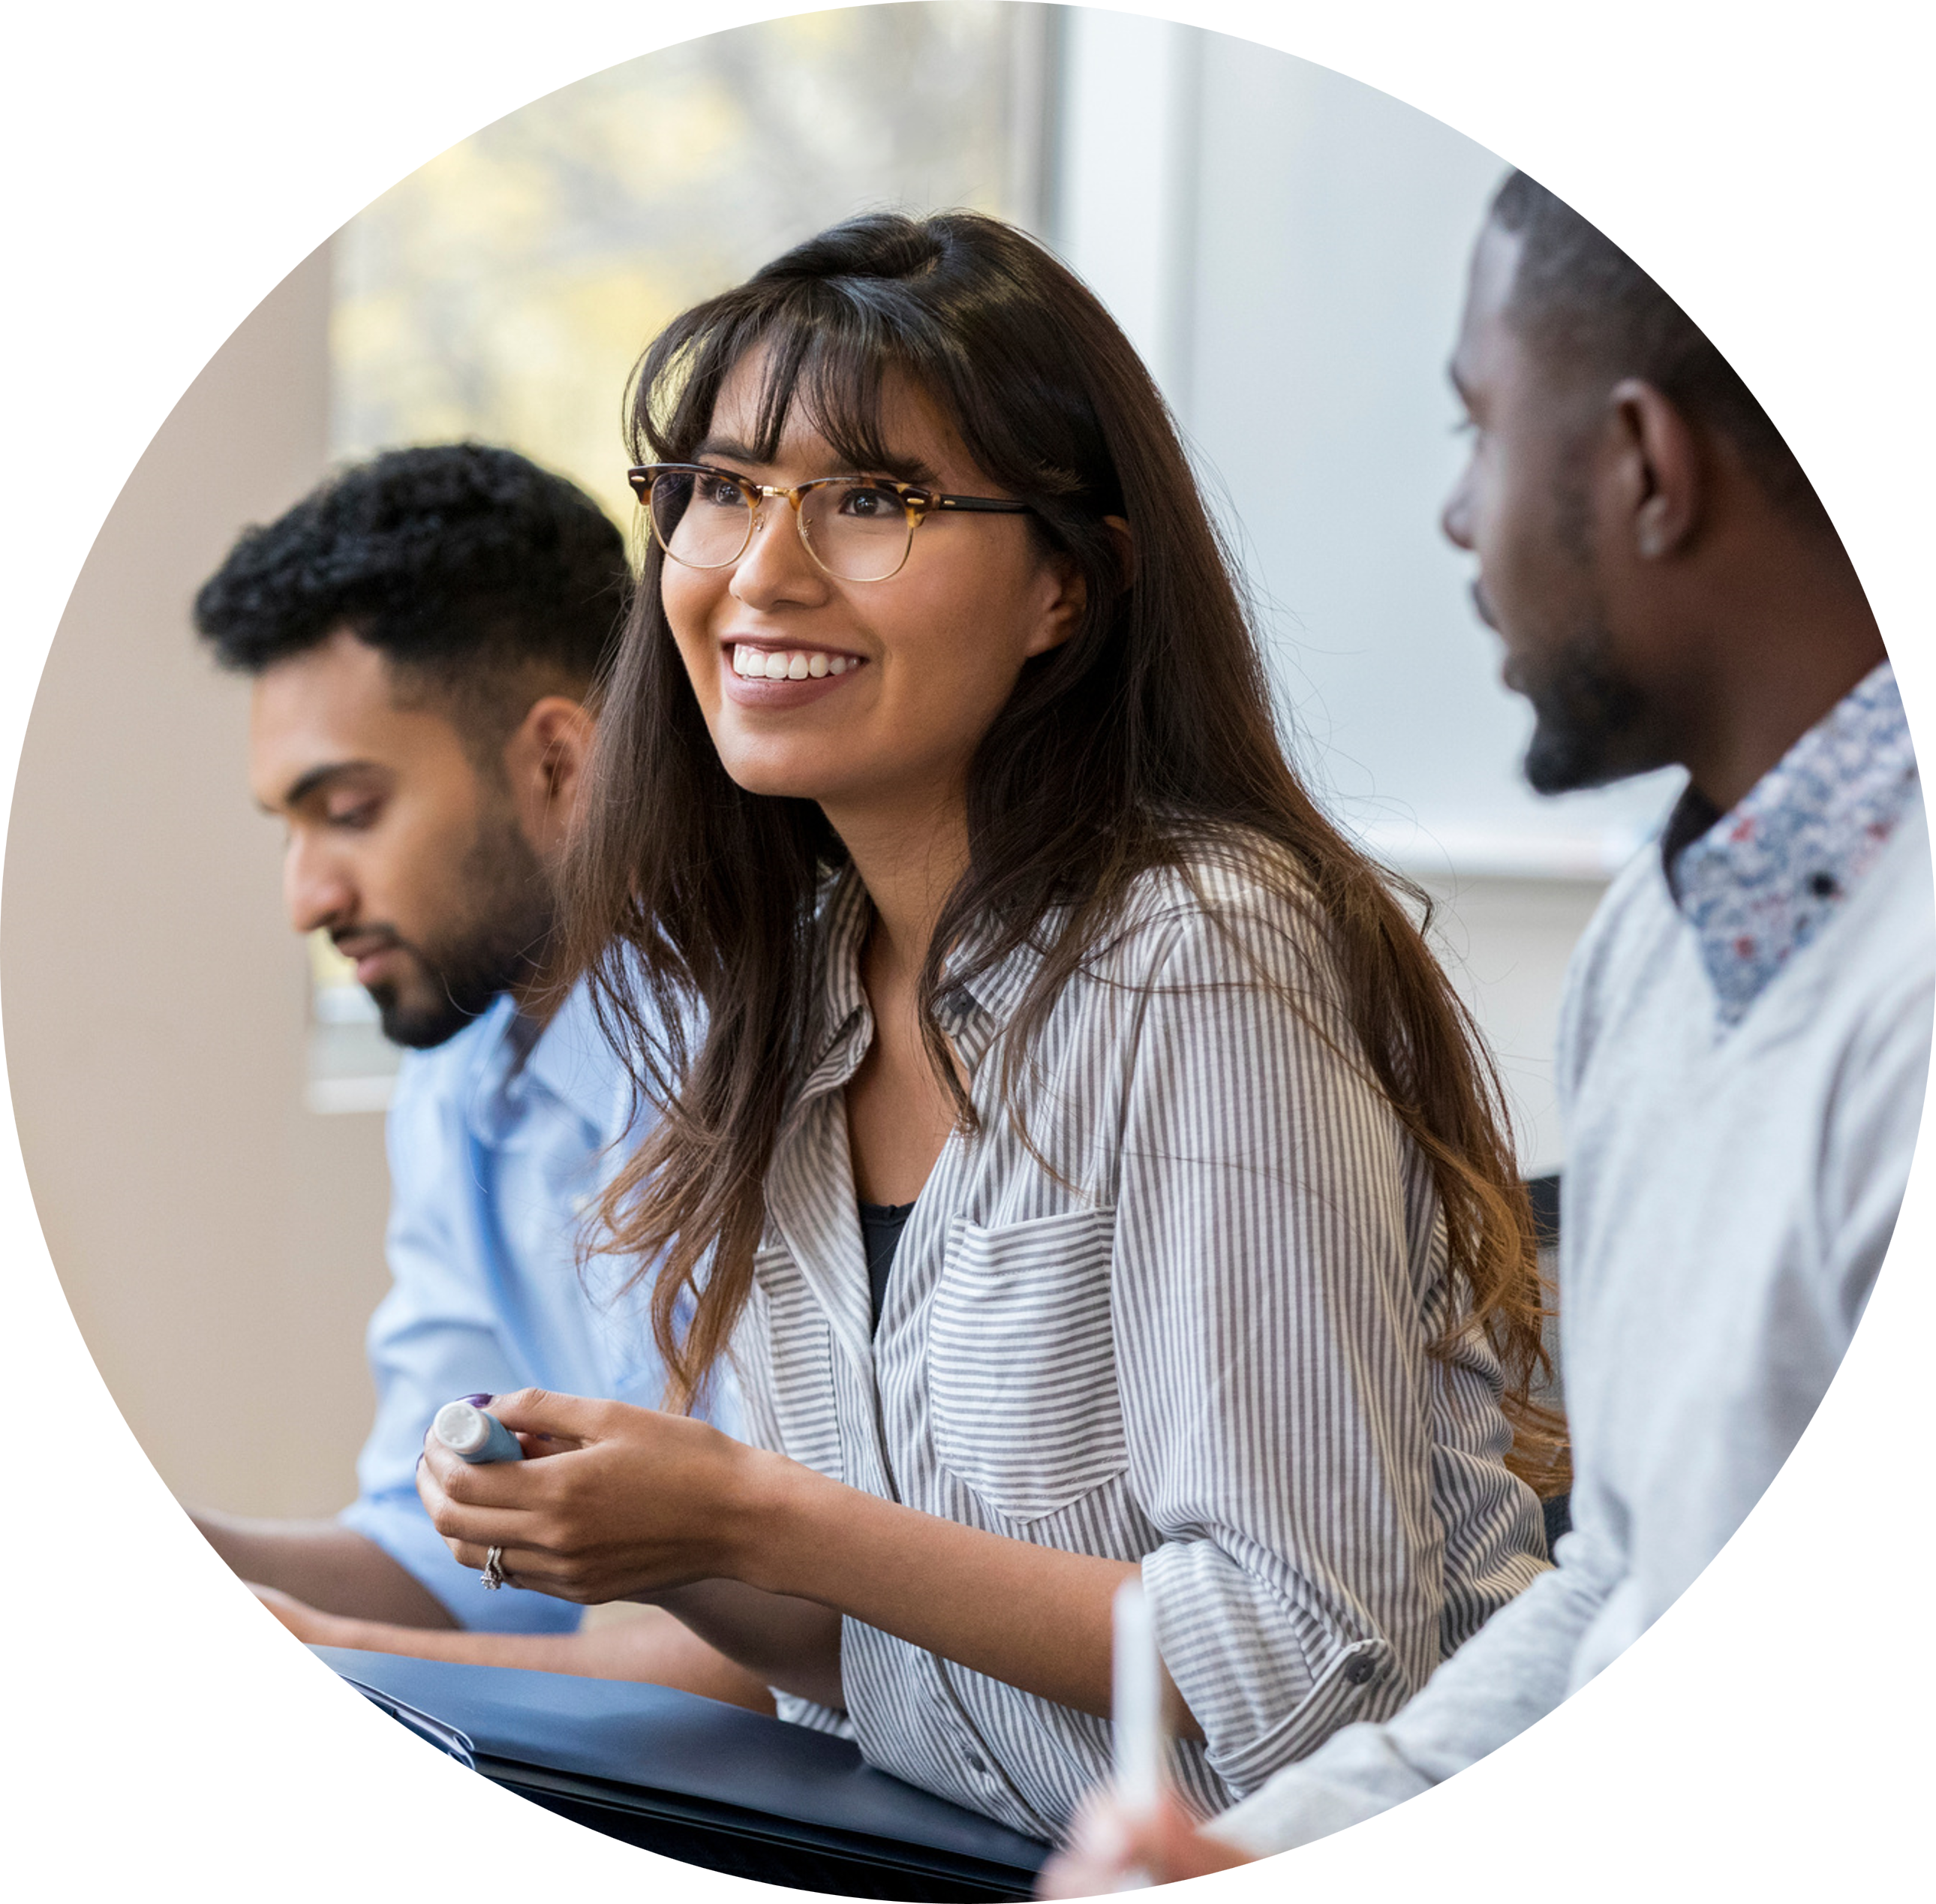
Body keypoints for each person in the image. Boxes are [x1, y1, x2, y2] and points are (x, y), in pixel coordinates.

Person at [413, 211, 1565, 1842]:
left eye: (872, 498)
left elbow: (1312, 1664)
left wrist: (757, 1507)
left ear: (1065, 590)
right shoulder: (790, 984)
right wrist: (669, 1541)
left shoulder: (1197, 952)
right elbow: (911, 1665)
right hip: (950, 1844)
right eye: (722, 490)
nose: (761, 568)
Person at [1036, 170, 1927, 1888]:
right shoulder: (1666, 940)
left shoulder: (1899, 999)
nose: (1456, 518)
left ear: (1647, 469)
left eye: (1477, 429)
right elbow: (1623, 1584)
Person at [185, 443, 769, 1709]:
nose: (307, 898)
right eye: (287, 828)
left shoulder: (765, 1050)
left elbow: (806, 1658)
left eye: (347, 810)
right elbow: (447, 1560)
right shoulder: (459, 1073)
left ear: (558, 764)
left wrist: (346, 1651)